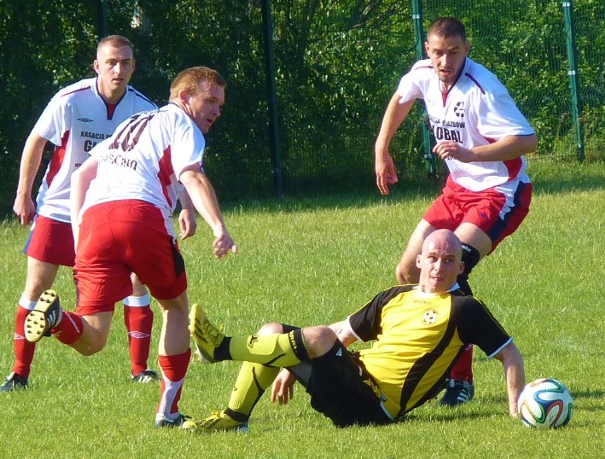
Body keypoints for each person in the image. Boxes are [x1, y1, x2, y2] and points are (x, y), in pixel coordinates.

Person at [23, 66, 237, 428]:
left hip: (94, 222)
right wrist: (219, 226)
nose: (216, 110)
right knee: (176, 307)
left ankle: (57, 319)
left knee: (92, 338)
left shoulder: (133, 123)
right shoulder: (182, 125)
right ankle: (168, 412)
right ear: (184, 97)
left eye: (220, 104)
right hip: (139, 215)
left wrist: (79, 235)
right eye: (210, 100)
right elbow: (192, 175)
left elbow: (82, 175)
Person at [182, 229, 525, 433]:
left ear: (461, 267)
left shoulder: (464, 308)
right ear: (418, 260)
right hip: (350, 381)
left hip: (375, 406)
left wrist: (515, 410)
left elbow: (509, 352)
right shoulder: (396, 296)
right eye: (433, 258)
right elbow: (343, 332)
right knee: (272, 331)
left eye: (449, 260)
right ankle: (233, 417)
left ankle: (220, 348)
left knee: (317, 338)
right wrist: (286, 355)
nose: (439, 266)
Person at [373, 17, 537, 406]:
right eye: (437, 52)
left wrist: (469, 153)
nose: (444, 61)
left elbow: (527, 140)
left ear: (467, 50)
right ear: (427, 50)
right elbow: (401, 98)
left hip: (499, 192)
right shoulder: (423, 74)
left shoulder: (484, 88)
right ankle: (435, 359)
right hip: (457, 190)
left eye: (453, 52)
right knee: (409, 271)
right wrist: (382, 148)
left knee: (448, 270)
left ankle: (460, 379)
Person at [0, 35, 162, 393]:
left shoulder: (144, 111)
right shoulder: (70, 100)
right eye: (111, 62)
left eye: (125, 63)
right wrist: (23, 194)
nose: (118, 69)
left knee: (136, 280)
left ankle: (140, 369)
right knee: (37, 285)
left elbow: (156, 161)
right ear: (97, 65)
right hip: (58, 207)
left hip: (109, 210)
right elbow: (36, 141)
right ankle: (19, 373)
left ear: (134, 66)